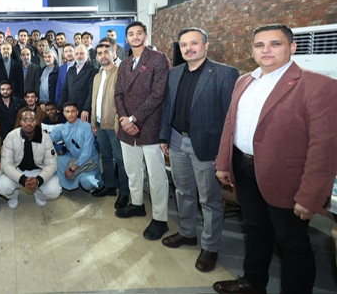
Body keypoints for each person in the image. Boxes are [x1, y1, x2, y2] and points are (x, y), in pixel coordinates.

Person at [212, 24, 337, 294]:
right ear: (252, 50)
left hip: (287, 179)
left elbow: (324, 148)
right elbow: (231, 124)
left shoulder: (318, 85)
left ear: (292, 47)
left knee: (292, 243)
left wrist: (311, 195)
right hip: (245, 170)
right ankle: (253, 282)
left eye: (275, 44)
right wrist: (223, 162)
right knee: (255, 230)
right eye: (259, 45)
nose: (266, 50)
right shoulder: (244, 81)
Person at [158, 28, 239, 273]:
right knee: (183, 191)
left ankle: (210, 247)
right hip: (176, 140)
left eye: (194, 43)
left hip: (207, 144)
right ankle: (187, 233)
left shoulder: (225, 73)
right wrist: (164, 136)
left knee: (209, 200)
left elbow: (231, 117)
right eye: (184, 45)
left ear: (206, 45)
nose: (188, 48)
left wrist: (224, 152)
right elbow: (168, 107)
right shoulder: (174, 73)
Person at [114, 21, 170, 241]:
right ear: (126, 39)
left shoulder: (158, 59)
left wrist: (134, 118)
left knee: (156, 176)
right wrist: (124, 119)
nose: (135, 36)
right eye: (131, 34)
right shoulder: (125, 63)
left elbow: (158, 94)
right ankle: (137, 204)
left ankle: (160, 218)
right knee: (132, 170)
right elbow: (118, 94)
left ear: (145, 36)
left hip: (150, 125)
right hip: (127, 127)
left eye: (139, 33)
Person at [90, 43, 130, 209]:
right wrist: (93, 121)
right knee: (106, 157)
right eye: (99, 53)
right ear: (96, 57)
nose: (103, 55)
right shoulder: (97, 76)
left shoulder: (120, 73)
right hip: (100, 125)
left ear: (114, 53)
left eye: (106, 52)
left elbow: (124, 101)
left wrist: (118, 123)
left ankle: (124, 193)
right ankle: (109, 186)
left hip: (115, 126)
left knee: (120, 160)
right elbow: (94, 100)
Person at [0, 109, 62, 208]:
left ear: (36, 122)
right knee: (2, 187)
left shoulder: (45, 138)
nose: (28, 123)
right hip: (17, 170)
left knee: (54, 191)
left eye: (31, 120)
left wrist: (38, 180)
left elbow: (52, 164)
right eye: (25, 120)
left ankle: (39, 194)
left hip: (39, 171)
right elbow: (6, 165)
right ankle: (13, 196)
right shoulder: (11, 136)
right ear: (20, 122)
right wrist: (23, 180)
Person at [48, 101, 102, 192]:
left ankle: (95, 180)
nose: (70, 114)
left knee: (87, 183)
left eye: (73, 111)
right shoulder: (63, 128)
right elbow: (48, 138)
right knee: (54, 161)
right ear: (64, 113)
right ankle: (73, 179)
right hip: (72, 158)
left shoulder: (87, 127)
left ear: (77, 112)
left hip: (89, 160)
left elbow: (87, 153)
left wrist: (72, 168)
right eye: (67, 112)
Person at [58, 44, 97, 122]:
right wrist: (59, 108)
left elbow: (92, 93)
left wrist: (86, 109)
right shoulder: (71, 70)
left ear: (87, 54)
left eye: (82, 53)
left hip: (84, 112)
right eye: (76, 54)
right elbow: (65, 91)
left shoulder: (93, 70)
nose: (79, 56)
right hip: (71, 111)